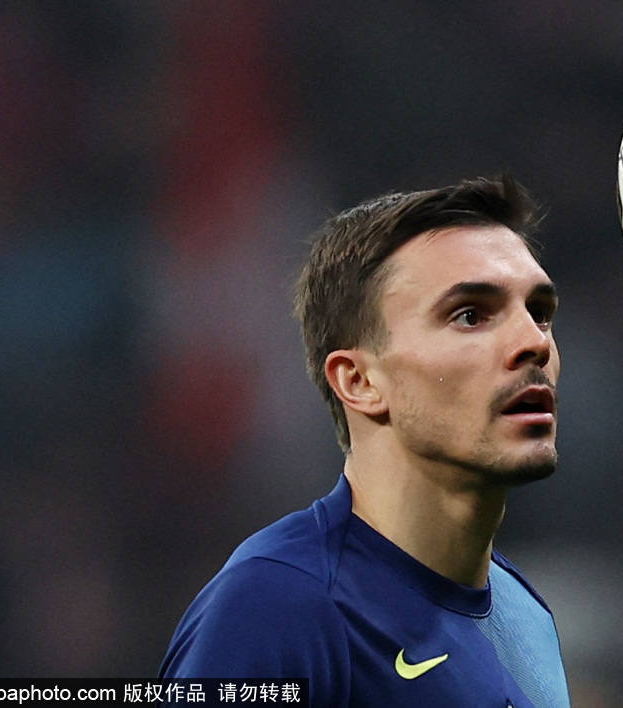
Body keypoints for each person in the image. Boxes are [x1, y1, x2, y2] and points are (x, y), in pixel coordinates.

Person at [159, 175, 571, 707]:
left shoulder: (524, 613)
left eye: (540, 313)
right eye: (470, 315)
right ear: (359, 381)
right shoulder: (278, 605)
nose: (534, 342)